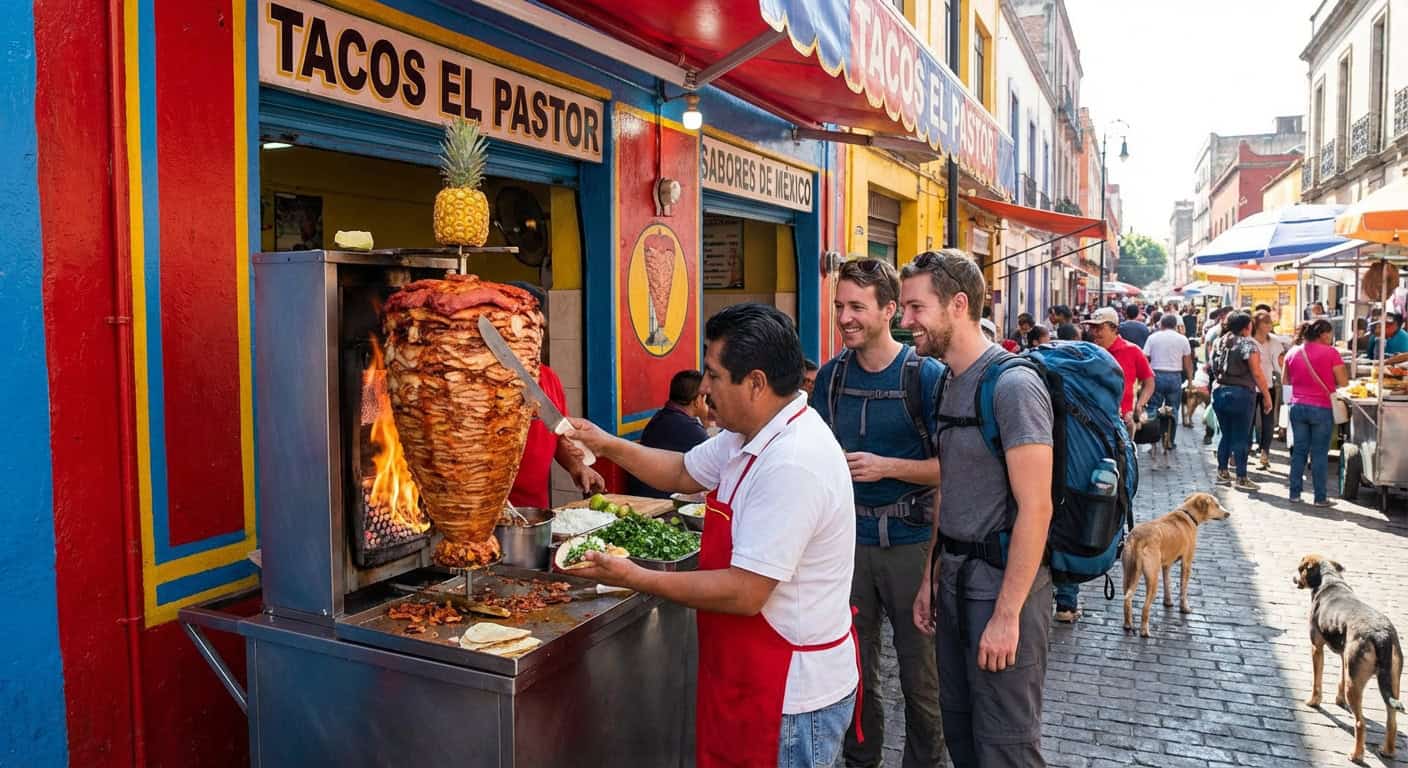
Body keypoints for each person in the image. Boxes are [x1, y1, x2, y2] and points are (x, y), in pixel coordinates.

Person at [564, 303, 860, 768]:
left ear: (756, 383)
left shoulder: (794, 461)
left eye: (714, 374)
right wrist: (606, 444)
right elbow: (683, 471)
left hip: (789, 699)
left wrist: (635, 576)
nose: (703, 388)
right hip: (746, 677)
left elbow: (745, 593)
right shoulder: (749, 433)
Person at [899, 250, 1055, 767]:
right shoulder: (947, 381)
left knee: (1006, 747)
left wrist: (1007, 616)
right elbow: (951, 486)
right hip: (954, 584)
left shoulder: (1013, 387)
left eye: (916, 308)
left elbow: (1036, 508)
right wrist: (931, 576)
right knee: (961, 735)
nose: (906, 320)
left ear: (958, 305)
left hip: (1001, 591)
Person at [811, 259, 945, 768]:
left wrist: (888, 467)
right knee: (853, 672)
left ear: (889, 310)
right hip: (847, 547)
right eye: (839, 306)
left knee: (921, 677)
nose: (844, 317)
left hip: (912, 543)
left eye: (856, 307)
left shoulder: (925, 376)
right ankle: (860, 761)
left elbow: (953, 468)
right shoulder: (830, 378)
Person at [505, 283, 605, 508]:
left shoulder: (549, 378)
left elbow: (557, 435)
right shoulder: (481, 384)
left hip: (535, 507)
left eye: (536, 328)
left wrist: (577, 466)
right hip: (486, 509)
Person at [1282, 319, 1348, 508]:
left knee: (1299, 451)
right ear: (1323, 334)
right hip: (1321, 407)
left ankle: (1294, 494)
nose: (1331, 337)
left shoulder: (1292, 352)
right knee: (1319, 453)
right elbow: (1343, 381)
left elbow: (1285, 381)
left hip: (1297, 406)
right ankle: (1320, 497)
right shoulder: (1331, 353)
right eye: (1330, 333)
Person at [1207, 312, 1272, 492]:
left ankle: (1222, 472)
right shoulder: (1247, 344)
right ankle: (1241, 477)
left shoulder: (1219, 342)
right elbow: (1257, 372)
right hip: (1241, 393)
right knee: (1241, 436)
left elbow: (1212, 365)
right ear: (1246, 327)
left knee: (1226, 434)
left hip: (1219, 391)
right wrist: (1267, 396)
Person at [628, 370, 711, 498]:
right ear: (697, 400)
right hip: (663, 500)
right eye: (707, 399)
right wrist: (707, 420)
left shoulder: (658, 418)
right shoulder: (692, 431)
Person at [1143, 313, 1194, 469]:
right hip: (1174, 377)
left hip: (1156, 375)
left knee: (1153, 408)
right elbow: (1188, 361)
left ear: (1161, 324)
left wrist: (1143, 378)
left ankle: (1153, 440)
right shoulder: (1182, 339)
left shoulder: (1153, 338)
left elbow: (1145, 358)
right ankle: (1170, 440)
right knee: (1173, 409)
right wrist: (1190, 380)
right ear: (1175, 325)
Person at [1250, 311, 1291, 471]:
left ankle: (1264, 454)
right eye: (1265, 322)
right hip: (1250, 387)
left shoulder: (1274, 342)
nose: (1269, 325)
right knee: (1249, 422)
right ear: (1257, 324)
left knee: (1268, 423)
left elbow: (1280, 364)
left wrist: (1286, 379)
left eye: (1269, 322)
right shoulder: (1249, 341)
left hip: (1268, 386)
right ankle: (1245, 451)